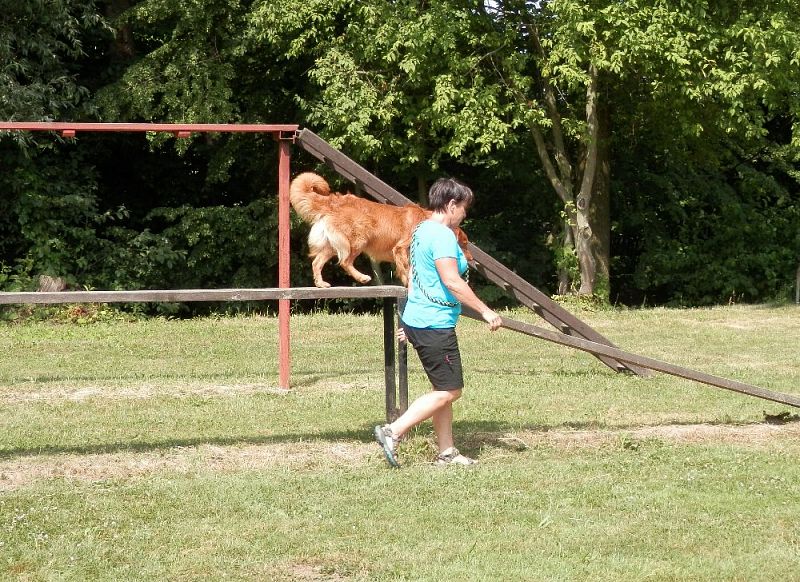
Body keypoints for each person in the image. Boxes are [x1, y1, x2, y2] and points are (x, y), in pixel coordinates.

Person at [374, 177, 502, 467]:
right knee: (451, 390)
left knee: (440, 389)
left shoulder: (420, 229)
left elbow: (414, 277)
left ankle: (447, 452)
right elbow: (452, 281)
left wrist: (410, 322)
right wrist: (485, 311)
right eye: (464, 208)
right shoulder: (443, 235)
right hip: (434, 325)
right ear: (451, 204)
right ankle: (392, 431)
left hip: (420, 320)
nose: (465, 215)